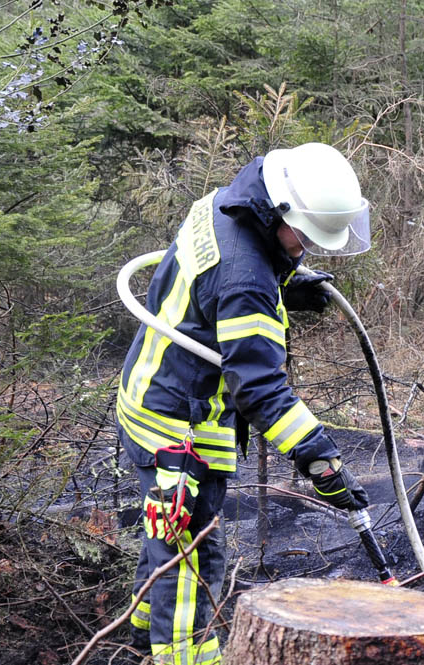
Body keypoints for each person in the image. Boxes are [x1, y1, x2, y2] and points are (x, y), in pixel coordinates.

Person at [116, 142, 373, 664]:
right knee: (193, 556)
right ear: (277, 212)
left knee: (168, 538)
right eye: (301, 238)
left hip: (150, 395)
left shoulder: (227, 203)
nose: (304, 250)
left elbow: (219, 279)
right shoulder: (245, 279)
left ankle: (141, 638)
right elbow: (257, 387)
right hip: (179, 426)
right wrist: (319, 457)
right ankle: (185, 657)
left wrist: (284, 284)